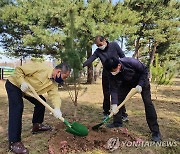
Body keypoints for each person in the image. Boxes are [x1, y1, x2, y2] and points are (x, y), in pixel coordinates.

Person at [5, 62, 71, 154]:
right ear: (59, 72)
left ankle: (37, 126)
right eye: (65, 77)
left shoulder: (53, 83)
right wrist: (22, 82)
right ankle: (14, 142)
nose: (64, 80)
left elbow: (55, 95)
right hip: (15, 84)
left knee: (41, 103)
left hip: (29, 91)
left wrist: (57, 108)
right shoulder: (40, 68)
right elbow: (19, 70)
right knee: (17, 107)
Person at [104, 57, 161, 142]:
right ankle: (117, 123)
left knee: (148, 103)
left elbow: (145, 71)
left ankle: (155, 131)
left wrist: (140, 84)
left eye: (114, 70)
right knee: (118, 99)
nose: (112, 73)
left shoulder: (131, 62)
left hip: (141, 81)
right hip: (126, 83)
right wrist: (114, 104)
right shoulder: (110, 72)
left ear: (119, 65)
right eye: (111, 71)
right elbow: (113, 88)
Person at [83, 36, 128, 121]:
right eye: (97, 45)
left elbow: (123, 56)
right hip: (106, 74)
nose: (99, 46)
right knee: (106, 94)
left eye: (100, 44)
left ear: (105, 41)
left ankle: (123, 114)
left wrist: (124, 69)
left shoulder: (114, 45)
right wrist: (81, 65)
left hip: (117, 73)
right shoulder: (98, 51)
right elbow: (91, 59)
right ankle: (106, 112)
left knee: (119, 94)